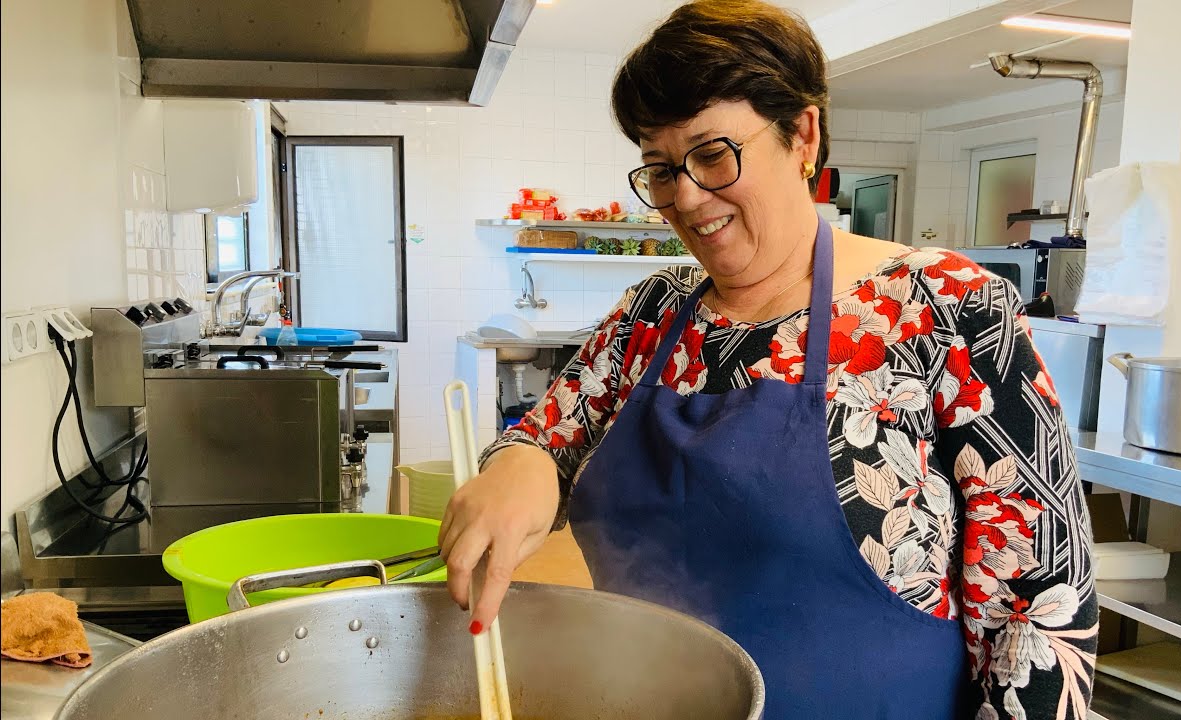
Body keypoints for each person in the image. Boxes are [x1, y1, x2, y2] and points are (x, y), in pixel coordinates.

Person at [439, 2, 1097, 718]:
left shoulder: (944, 309)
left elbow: (1038, 613)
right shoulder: (652, 313)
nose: (685, 197)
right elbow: (547, 437)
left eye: (713, 154)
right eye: (659, 170)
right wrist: (520, 466)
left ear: (802, 134)